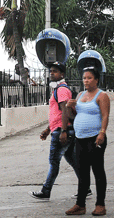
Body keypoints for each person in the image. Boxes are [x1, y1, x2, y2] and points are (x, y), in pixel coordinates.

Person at [30, 62, 83, 201]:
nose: (52, 73)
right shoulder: (58, 89)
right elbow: (58, 113)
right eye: (51, 71)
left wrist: (63, 131)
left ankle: (46, 191)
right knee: (73, 161)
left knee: (54, 162)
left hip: (62, 131)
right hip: (61, 129)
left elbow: (65, 110)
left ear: (62, 74)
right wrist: (48, 130)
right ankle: (86, 188)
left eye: (55, 71)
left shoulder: (61, 90)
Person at [63, 66, 111, 216]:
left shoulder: (102, 96)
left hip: (95, 138)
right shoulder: (80, 95)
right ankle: (80, 205)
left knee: (97, 170)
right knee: (82, 172)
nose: (86, 81)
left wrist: (102, 133)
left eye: (89, 78)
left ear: (96, 80)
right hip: (80, 139)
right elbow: (75, 115)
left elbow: (105, 116)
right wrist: (69, 107)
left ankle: (100, 205)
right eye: (84, 78)